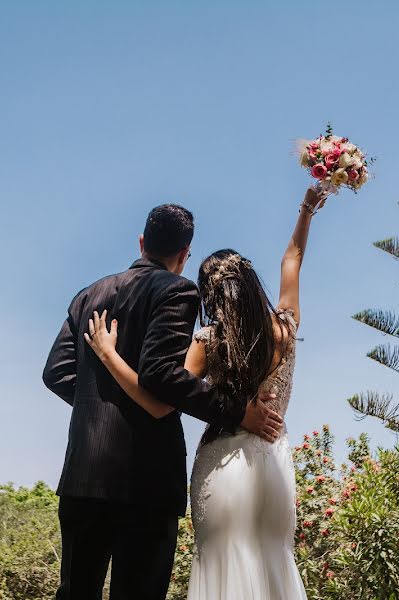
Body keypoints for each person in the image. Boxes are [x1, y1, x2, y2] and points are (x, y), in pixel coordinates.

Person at [84, 187, 324, 599]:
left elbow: (157, 400)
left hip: (224, 465)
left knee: (222, 569)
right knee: (274, 566)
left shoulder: (208, 341)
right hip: (275, 468)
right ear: (251, 284)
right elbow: (293, 259)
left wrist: (109, 356)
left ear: (209, 295)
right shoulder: (285, 328)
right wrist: (306, 210)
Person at [42, 203, 284, 600]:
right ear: (184, 253)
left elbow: (56, 372)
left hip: (82, 478)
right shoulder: (177, 289)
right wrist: (239, 411)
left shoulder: (88, 295)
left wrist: (100, 401)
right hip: (145, 481)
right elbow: (163, 375)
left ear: (142, 242)